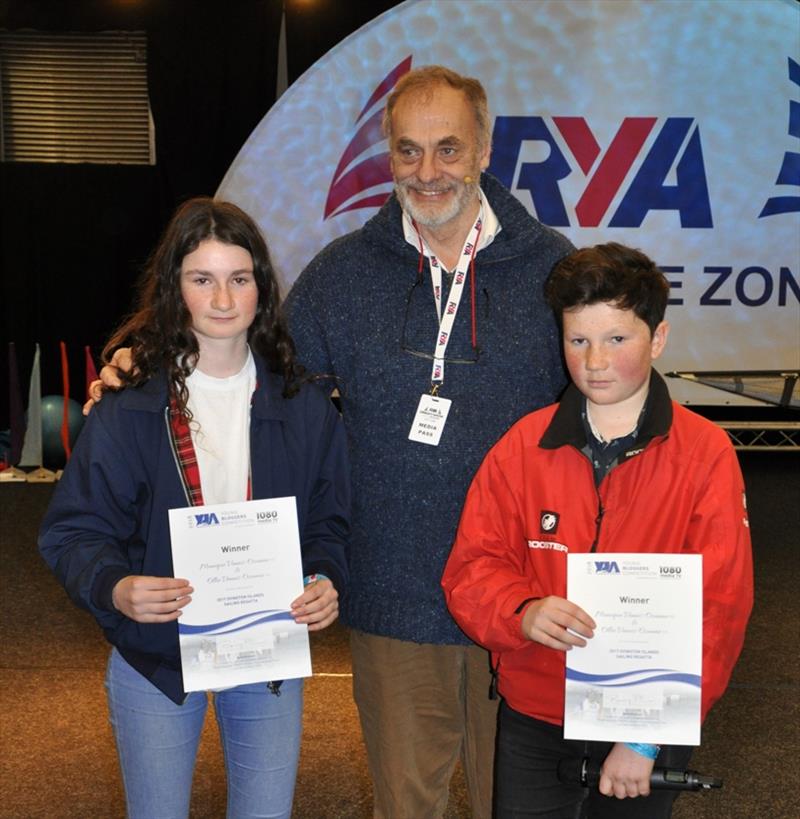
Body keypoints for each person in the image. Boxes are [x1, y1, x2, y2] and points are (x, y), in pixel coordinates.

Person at [90, 66, 573, 818]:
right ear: (386, 152)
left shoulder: (550, 270)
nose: (429, 171)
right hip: (392, 600)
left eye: (448, 149)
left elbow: (602, 394)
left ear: (483, 147)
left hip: (521, 593)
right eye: (408, 151)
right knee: (404, 806)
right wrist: (141, 358)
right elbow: (250, 359)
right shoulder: (345, 272)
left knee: (513, 806)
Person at [39, 197, 350, 819]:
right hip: (155, 651)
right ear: (174, 288)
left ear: (261, 286)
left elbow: (330, 520)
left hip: (266, 646)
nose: (224, 300)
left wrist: (324, 577)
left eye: (240, 279)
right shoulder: (129, 406)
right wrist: (116, 586)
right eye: (202, 279)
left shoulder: (304, 404)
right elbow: (74, 529)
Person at [441, 242, 754, 818]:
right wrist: (522, 612)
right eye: (578, 340)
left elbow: (721, 605)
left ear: (657, 339)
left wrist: (644, 738)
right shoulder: (522, 446)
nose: (595, 361)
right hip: (536, 714)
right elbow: (473, 567)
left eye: (617, 339)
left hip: (648, 720)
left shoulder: (705, 452)